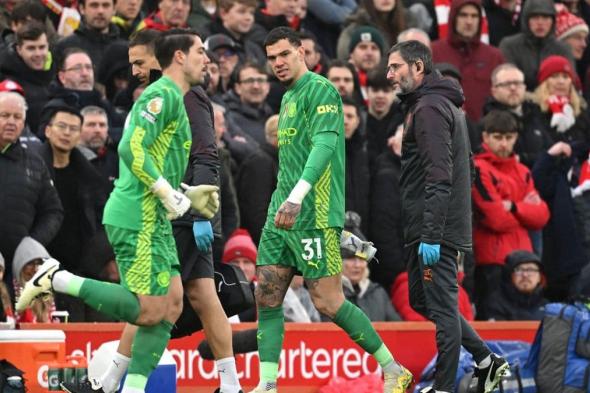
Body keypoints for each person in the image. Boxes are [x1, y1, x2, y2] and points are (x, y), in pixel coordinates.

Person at [16, 29, 220, 393]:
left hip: (153, 216)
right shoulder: (161, 96)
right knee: (149, 311)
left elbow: (156, 159)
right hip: (137, 215)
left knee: (171, 307)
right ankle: (55, 278)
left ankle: (123, 387)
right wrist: (166, 193)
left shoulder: (175, 97)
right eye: (200, 52)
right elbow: (130, 149)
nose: (207, 60)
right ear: (178, 57)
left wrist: (187, 193)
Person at [248, 26, 412, 393]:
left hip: (313, 213)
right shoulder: (288, 98)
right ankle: (268, 383)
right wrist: (284, 199)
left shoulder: (321, 90)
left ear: (301, 52)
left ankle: (392, 368)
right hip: (281, 214)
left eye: (284, 55)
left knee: (328, 300)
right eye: (271, 58)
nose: (277, 63)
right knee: (268, 295)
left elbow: (323, 148)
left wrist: (298, 196)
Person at [387, 40, 509, 393]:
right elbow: (465, 167)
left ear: (418, 67)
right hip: (429, 224)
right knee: (421, 300)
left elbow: (440, 176)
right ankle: (486, 360)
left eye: (396, 67)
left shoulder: (427, 109)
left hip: (433, 228)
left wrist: (432, 233)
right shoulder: (438, 105)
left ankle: (443, 388)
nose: (390, 74)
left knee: (441, 311)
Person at [471, 110, 550, 319]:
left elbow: (542, 216)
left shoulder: (523, 171)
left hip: (524, 258)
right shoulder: (478, 168)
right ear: (485, 137)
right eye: (498, 138)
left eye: (508, 138)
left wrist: (513, 207)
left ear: (515, 138)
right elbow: (496, 218)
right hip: (492, 262)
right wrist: (525, 208)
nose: (504, 144)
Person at [0, 91, 63, 286]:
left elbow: (53, 211)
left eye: (17, 117)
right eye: (4, 115)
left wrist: (32, 244)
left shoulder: (35, 163)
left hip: (21, 269)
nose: (11, 121)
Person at [431, 0, 505, 121]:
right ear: (453, 17)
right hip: (443, 129)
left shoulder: (494, 56)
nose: (469, 21)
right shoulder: (433, 51)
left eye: (474, 16)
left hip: (485, 132)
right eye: (463, 15)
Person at [499, 0, 575, 90]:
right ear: (526, 20)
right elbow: (509, 82)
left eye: (545, 17)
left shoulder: (563, 49)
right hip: (519, 101)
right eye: (535, 17)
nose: (540, 22)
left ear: (553, 21)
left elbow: (570, 83)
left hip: (555, 100)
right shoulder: (510, 46)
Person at [485, 250, 548, 321]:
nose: (525, 275)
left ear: (539, 277)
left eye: (531, 270)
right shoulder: (496, 304)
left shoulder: (546, 306)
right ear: (509, 275)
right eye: (519, 270)